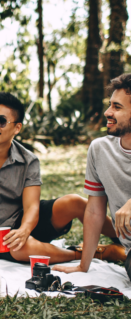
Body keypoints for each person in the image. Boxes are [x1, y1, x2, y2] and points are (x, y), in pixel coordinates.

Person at [0, 92, 124, 264]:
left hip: (27, 221)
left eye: (0, 121)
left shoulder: (29, 160)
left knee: (75, 202)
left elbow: (32, 206)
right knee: (20, 248)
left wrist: (24, 230)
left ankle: (123, 238)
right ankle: (96, 253)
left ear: (17, 128)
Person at [54, 74, 131, 278]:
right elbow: (95, 211)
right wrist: (83, 265)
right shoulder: (100, 149)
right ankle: (119, 252)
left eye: (117, 107)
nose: (108, 112)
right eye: (109, 105)